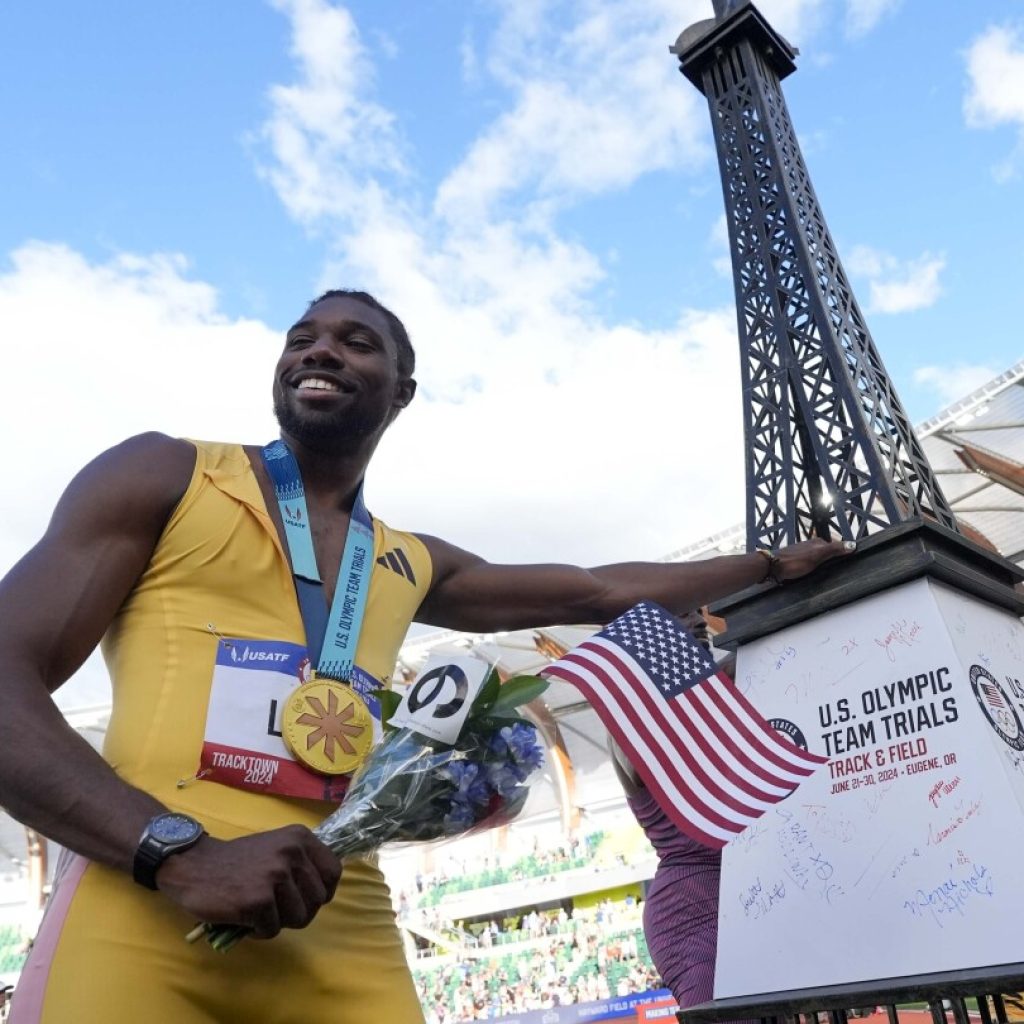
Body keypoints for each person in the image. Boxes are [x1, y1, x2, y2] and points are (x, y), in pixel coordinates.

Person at [0, 289, 851, 1024]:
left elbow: (595, 590)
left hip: (342, 921)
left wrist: (769, 566)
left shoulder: (408, 560)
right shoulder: (165, 475)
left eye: (355, 340)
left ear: (403, 392)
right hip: (141, 907)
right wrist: (179, 853)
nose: (320, 348)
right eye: (302, 338)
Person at [609, 611, 749, 1018]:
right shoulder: (631, 721)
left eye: (696, 618)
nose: (695, 624)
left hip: (743, 889)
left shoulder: (717, 696)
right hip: (692, 906)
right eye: (673, 618)